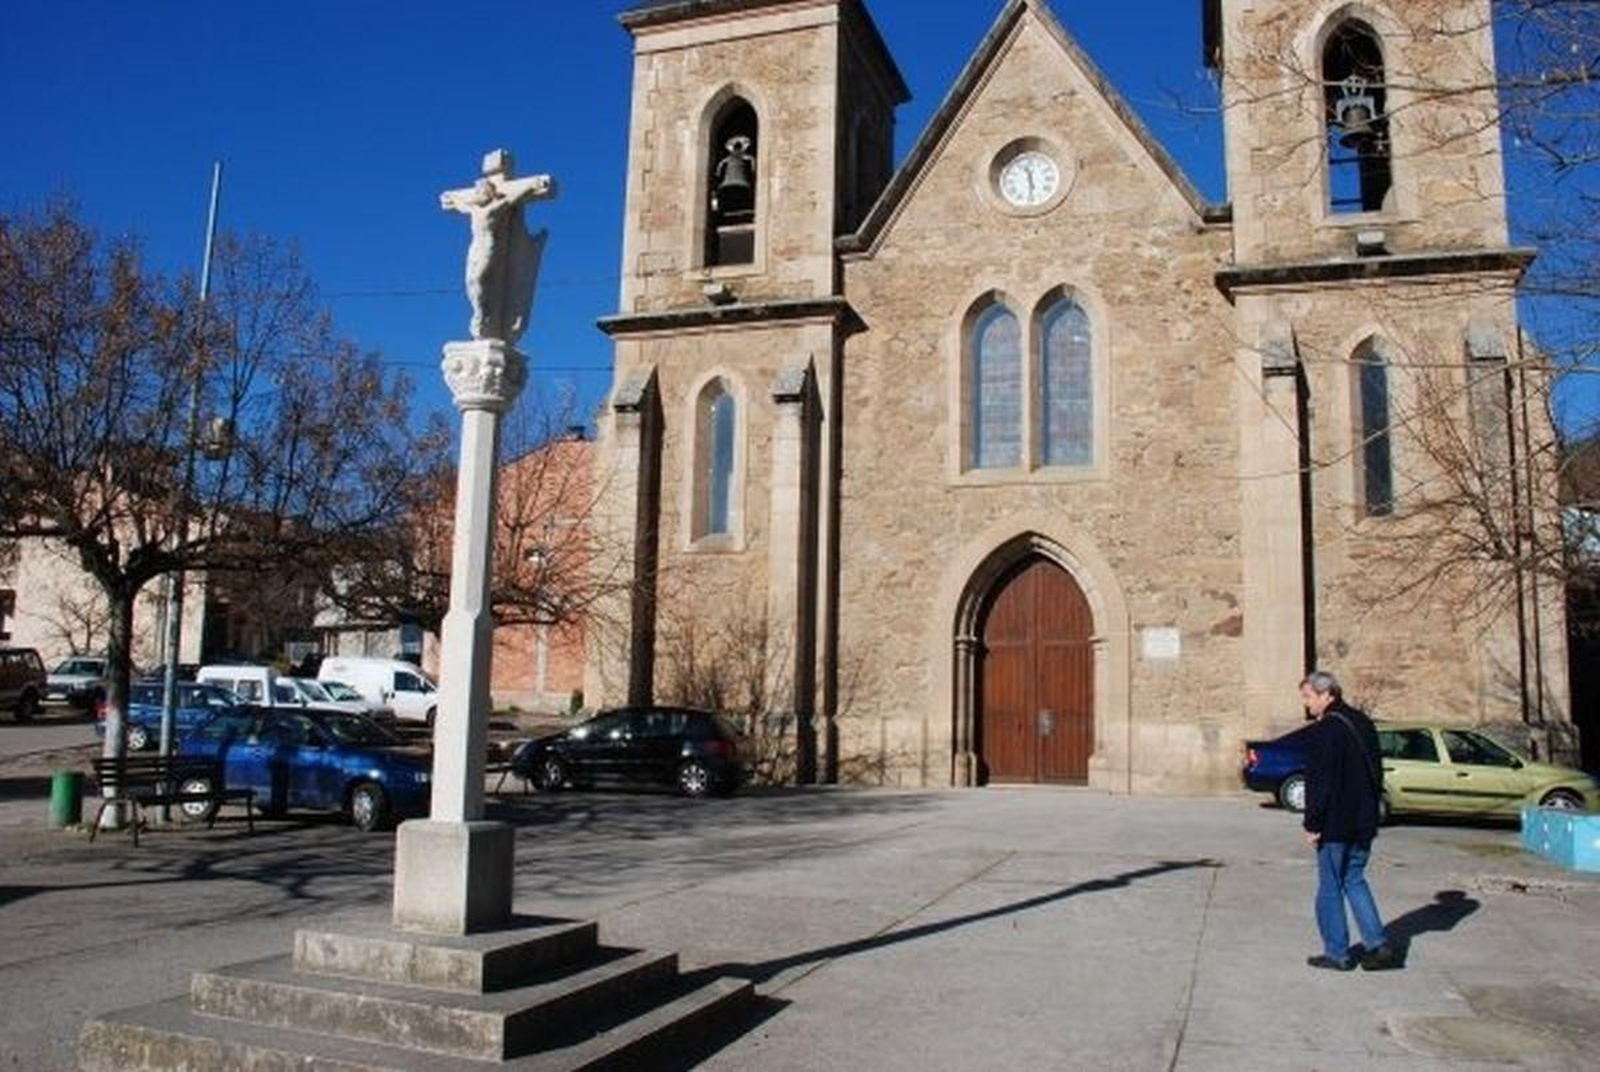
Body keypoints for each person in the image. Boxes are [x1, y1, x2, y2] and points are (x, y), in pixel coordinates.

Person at [1299, 671, 1402, 971]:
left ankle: (1337, 953)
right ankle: (1378, 944)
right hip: (1364, 819)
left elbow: (1321, 783)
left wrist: (1312, 823)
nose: (1307, 704)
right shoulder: (1363, 722)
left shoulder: (1326, 730)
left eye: (1309, 697)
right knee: (1355, 880)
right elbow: (1377, 771)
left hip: (1335, 824)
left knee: (1330, 887)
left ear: (1327, 695)